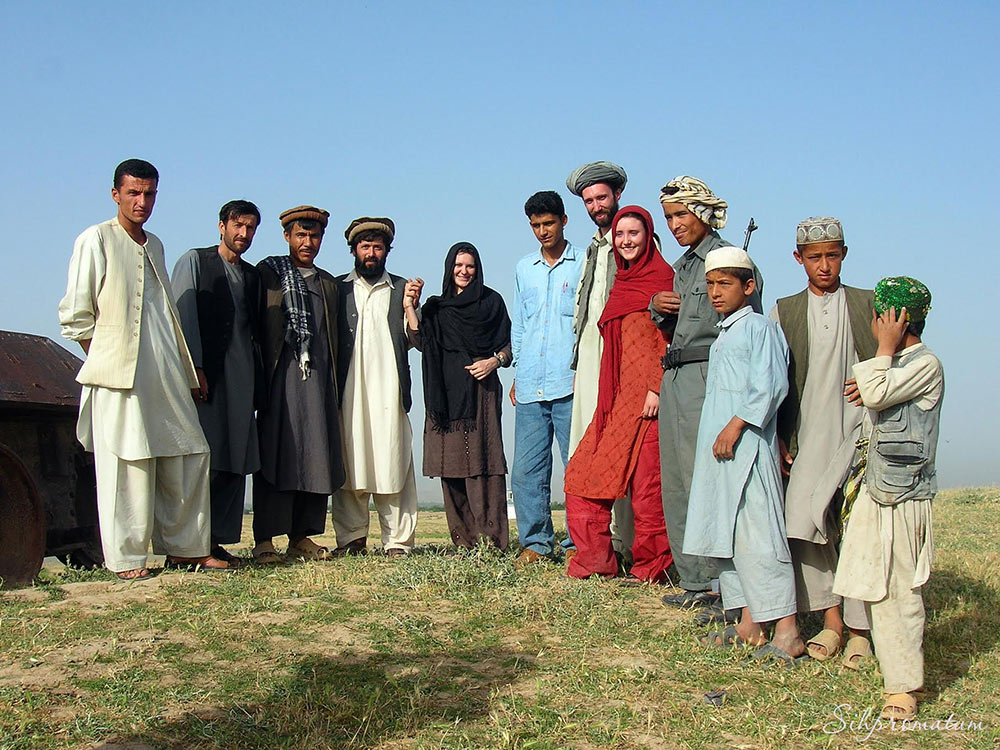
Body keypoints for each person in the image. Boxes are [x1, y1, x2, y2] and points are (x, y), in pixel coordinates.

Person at [58, 158, 228, 580]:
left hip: (165, 369)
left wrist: (186, 371)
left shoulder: (155, 244)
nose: (142, 201)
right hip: (118, 375)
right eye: (134, 193)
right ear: (115, 194)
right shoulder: (95, 239)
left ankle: (186, 548)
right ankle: (127, 560)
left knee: (189, 452)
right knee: (127, 464)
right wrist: (108, 361)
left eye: (150, 193)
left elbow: (162, 313)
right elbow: (77, 317)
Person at [684, 246, 805, 662]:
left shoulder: (759, 328)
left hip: (749, 447)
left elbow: (770, 386)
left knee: (760, 536)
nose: (716, 292)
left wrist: (735, 427)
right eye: (711, 284)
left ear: (748, 286)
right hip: (722, 452)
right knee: (730, 535)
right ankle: (750, 623)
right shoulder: (726, 333)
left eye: (725, 284)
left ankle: (787, 631)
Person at [651, 176, 762, 620]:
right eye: (669, 217)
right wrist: (659, 306)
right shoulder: (682, 266)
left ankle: (724, 590)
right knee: (678, 482)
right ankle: (694, 581)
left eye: (681, 214)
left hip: (710, 375)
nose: (676, 224)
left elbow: (748, 331)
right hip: (675, 375)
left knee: (710, 481)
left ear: (702, 212)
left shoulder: (731, 260)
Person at [834, 277, 943, 721]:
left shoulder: (925, 363)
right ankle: (884, 658)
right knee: (874, 584)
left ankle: (903, 686)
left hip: (903, 497)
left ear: (895, 319)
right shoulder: (896, 364)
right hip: (878, 490)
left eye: (882, 317)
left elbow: (876, 390)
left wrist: (883, 348)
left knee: (900, 591)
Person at [770, 217, 877, 665]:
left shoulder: (869, 303)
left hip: (861, 431)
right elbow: (775, 380)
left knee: (857, 526)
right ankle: (832, 621)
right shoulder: (784, 310)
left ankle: (860, 631)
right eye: (815, 257)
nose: (824, 265)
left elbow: (897, 357)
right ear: (799, 259)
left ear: (844, 255)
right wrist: (779, 437)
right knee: (805, 522)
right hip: (808, 432)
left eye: (832, 255)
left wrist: (875, 379)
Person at [564, 206, 673, 583]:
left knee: (647, 493)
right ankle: (597, 561)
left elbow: (672, 341)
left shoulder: (664, 280)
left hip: (648, 403)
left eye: (634, 234)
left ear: (649, 238)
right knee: (581, 479)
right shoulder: (622, 285)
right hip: (615, 401)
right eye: (620, 235)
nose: (626, 241)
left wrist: (657, 388)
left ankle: (652, 568)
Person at [172, 200, 264, 566]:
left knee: (233, 460)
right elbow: (182, 319)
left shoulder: (252, 275)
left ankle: (214, 542)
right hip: (205, 377)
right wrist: (193, 367)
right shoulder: (195, 262)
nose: (243, 234)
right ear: (221, 225)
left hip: (242, 379)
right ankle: (186, 546)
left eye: (250, 228)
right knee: (202, 461)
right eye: (237, 226)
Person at [253, 206, 345, 563]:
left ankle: (301, 537)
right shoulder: (269, 274)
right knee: (276, 455)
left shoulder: (328, 284)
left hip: (319, 384)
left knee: (315, 457)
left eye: (314, 236)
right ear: (287, 237)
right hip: (280, 383)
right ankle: (264, 540)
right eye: (301, 235)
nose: (308, 242)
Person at [406, 242, 512, 550]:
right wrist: (411, 306)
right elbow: (420, 340)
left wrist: (494, 361)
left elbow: (509, 343)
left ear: (477, 269)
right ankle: (464, 543)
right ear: (449, 268)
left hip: (482, 393)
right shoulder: (437, 307)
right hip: (446, 399)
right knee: (451, 467)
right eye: (458, 265)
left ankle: (492, 543)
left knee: (486, 463)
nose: (464, 271)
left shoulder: (492, 302)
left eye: (470, 266)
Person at [333, 217, 421, 557]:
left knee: (393, 461)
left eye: (378, 247)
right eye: (365, 246)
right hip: (350, 393)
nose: (371, 253)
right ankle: (352, 538)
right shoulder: (338, 288)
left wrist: (411, 305)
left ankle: (397, 540)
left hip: (389, 392)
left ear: (387, 251)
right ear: (354, 250)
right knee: (351, 462)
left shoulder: (400, 288)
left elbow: (418, 339)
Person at [565, 161, 635, 567]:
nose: (596, 206)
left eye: (601, 198)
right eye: (589, 201)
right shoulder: (593, 249)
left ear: (617, 197)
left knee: (621, 449)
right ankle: (597, 543)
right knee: (590, 447)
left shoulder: (633, 242)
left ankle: (626, 543)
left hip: (621, 365)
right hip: (590, 363)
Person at [509, 191, 584, 565]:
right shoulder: (525, 268)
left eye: (549, 223)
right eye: (536, 225)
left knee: (577, 468)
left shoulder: (584, 262)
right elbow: (520, 325)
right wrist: (517, 371)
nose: (542, 231)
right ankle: (535, 544)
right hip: (529, 384)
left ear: (564, 221)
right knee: (526, 469)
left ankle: (577, 544)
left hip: (570, 382)